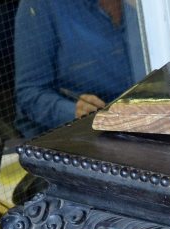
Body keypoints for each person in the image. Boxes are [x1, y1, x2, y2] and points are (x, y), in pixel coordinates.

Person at [14, 0, 145, 138]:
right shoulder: (41, 4)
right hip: (79, 136)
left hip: (143, 122)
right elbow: (30, 92)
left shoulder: (152, 7)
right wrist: (74, 112)